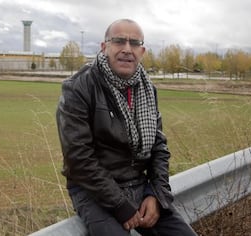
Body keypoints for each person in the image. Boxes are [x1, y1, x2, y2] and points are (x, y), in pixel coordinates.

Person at [56, 19, 197, 236]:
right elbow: (78, 158)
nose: (126, 49)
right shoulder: (79, 87)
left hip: (139, 186)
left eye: (134, 43)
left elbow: (159, 147)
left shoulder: (148, 89)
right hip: (93, 191)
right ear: (104, 47)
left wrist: (156, 195)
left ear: (142, 51)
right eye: (119, 41)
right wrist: (120, 204)